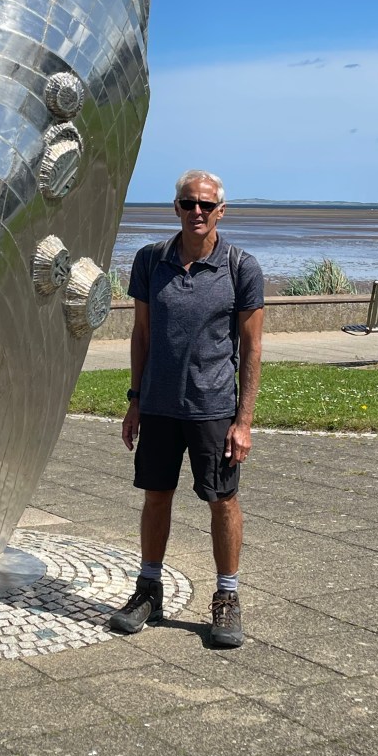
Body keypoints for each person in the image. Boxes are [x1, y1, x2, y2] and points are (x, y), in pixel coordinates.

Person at [109, 169, 264, 647]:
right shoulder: (150, 260)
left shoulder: (241, 267)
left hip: (213, 408)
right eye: (188, 202)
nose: (197, 211)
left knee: (223, 501)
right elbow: (141, 334)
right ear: (175, 207)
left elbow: (252, 348)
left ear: (221, 211)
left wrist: (243, 421)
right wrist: (135, 401)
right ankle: (148, 590)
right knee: (156, 496)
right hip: (158, 406)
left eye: (206, 204)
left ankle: (227, 597)